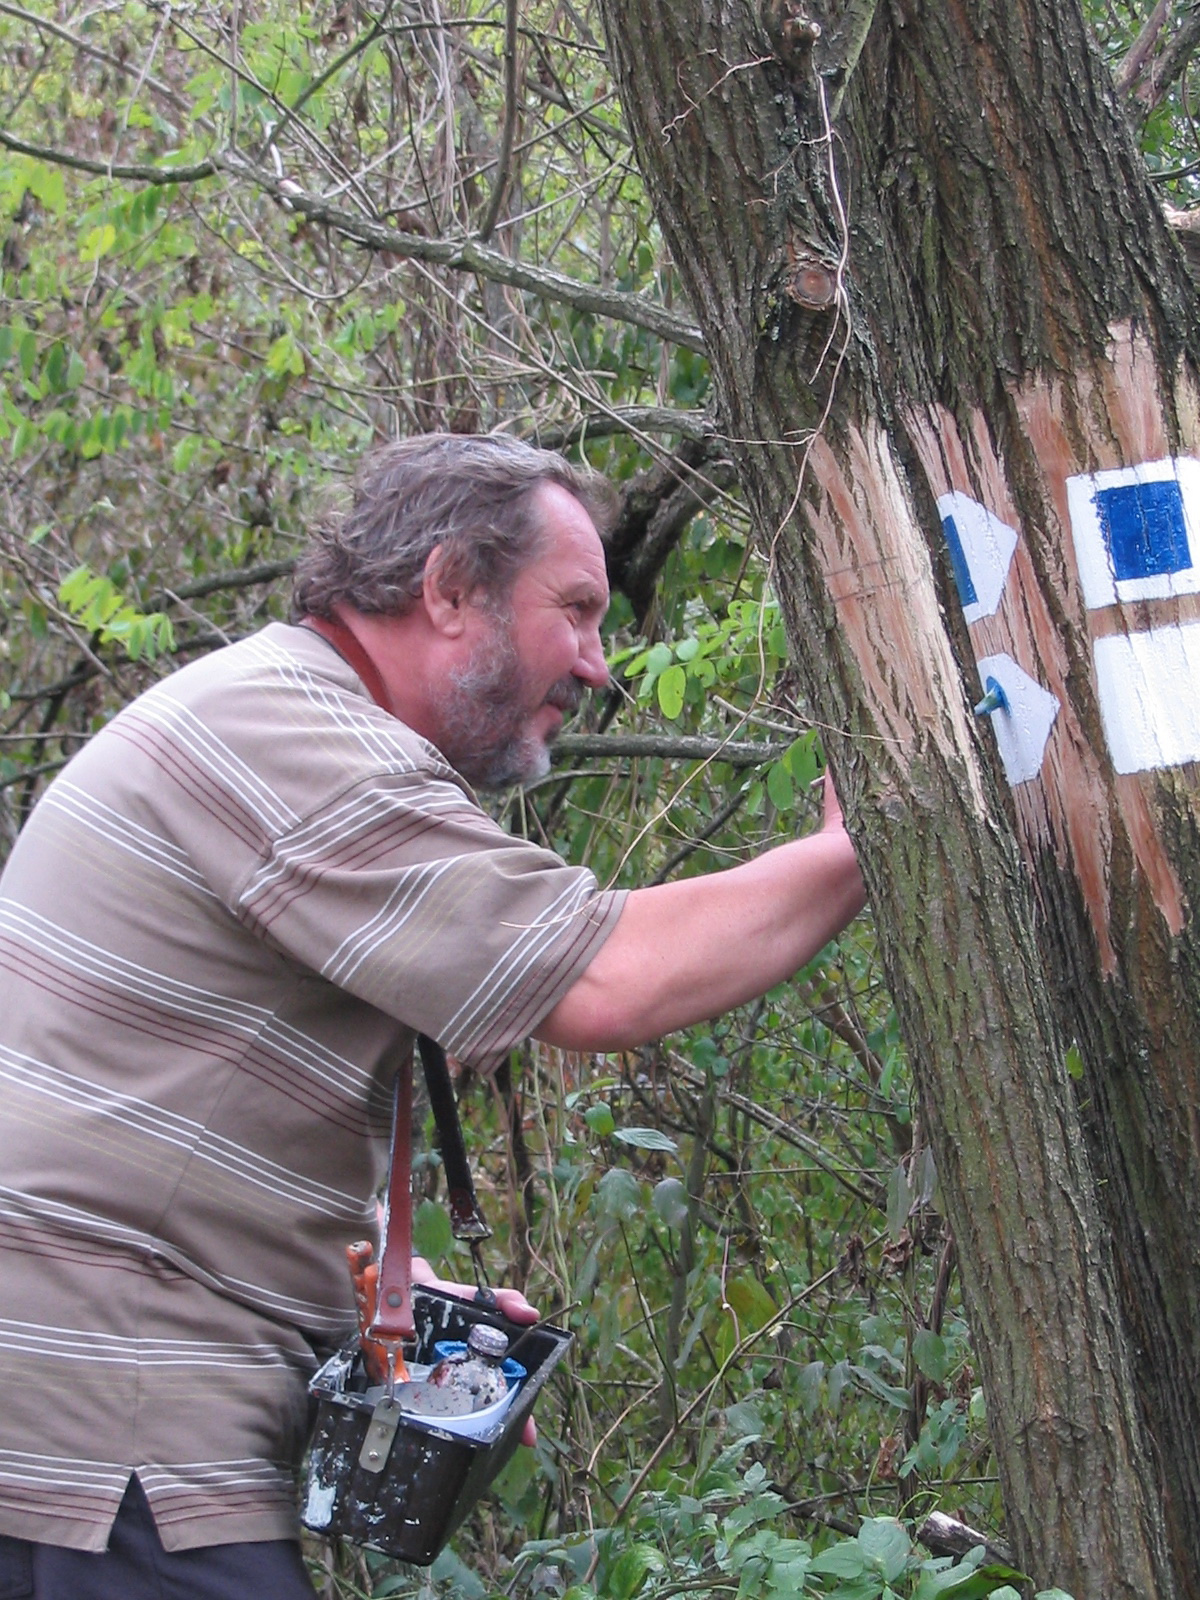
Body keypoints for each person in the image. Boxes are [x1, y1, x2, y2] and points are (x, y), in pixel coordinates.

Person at [0, 433, 864, 1598]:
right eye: (575, 609)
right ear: (451, 587)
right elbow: (610, 976)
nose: (599, 665)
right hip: (113, 1420)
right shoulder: (296, 745)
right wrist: (870, 839)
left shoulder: (275, 710)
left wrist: (387, 1299)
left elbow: (159, 1122)